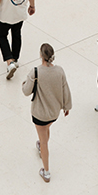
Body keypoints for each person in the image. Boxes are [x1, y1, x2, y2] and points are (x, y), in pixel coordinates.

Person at [22, 42, 72, 184]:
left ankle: (46, 171)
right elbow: (65, 89)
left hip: (39, 114)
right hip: (54, 113)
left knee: (44, 141)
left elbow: (26, 91)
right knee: (46, 129)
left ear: (41, 55)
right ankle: (41, 145)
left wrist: (24, 84)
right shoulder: (60, 71)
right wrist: (66, 106)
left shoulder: (35, 72)